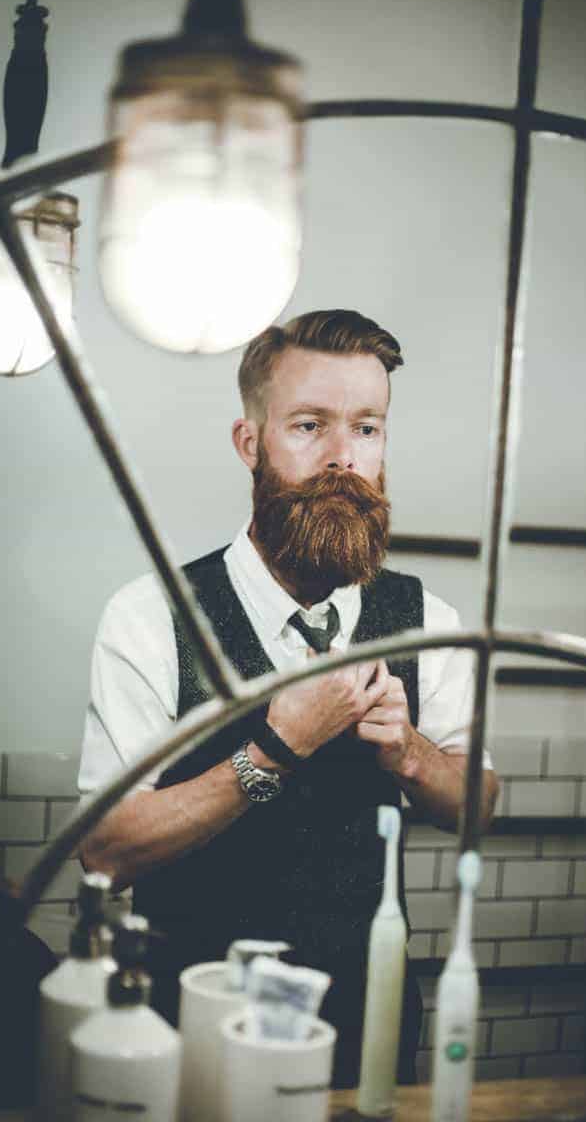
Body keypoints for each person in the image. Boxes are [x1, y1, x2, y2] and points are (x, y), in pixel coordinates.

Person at [78, 309, 499, 1087]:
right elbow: (104, 850)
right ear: (251, 443)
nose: (344, 458)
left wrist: (410, 755)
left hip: (365, 1035)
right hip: (188, 1034)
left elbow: (480, 808)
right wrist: (272, 751)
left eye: (367, 428)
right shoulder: (151, 618)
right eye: (310, 426)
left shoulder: (427, 623)